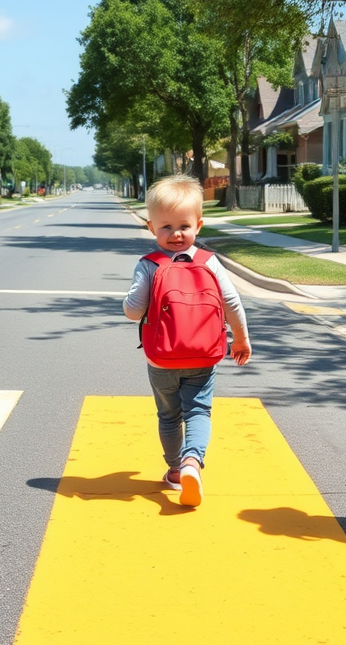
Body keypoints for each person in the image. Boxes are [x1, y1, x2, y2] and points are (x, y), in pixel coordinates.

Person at [123, 175, 252, 508]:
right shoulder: (209, 262)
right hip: (203, 356)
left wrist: (134, 300)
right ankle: (194, 461)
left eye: (182, 226)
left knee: (168, 416)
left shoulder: (149, 265)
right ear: (152, 227)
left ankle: (176, 469)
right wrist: (240, 340)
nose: (176, 233)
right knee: (199, 411)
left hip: (161, 358)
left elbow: (133, 311)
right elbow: (232, 303)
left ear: (198, 224)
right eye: (168, 227)